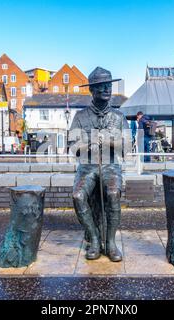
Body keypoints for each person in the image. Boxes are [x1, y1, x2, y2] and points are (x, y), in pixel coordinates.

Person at [69, 67, 129, 262]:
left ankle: (110, 242)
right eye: (101, 86)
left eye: (109, 85)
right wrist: (90, 141)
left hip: (110, 166)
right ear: (92, 91)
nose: (107, 89)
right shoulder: (80, 116)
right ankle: (94, 239)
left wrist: (110, 141)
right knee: (78, 196)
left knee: (112, 194)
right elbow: (72, 146)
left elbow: (127, 145)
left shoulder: (118, 117)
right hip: (87, 166)